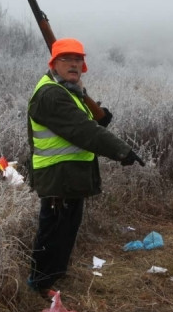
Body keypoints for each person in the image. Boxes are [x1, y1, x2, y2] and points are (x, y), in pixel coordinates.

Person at [25, 38, 140, 297]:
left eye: (78, 60)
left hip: (69, 175)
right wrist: (121, 150)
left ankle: (54, 277)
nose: (74, 64)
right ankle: (39, 284)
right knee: (53, 231)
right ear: (54, 63)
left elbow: (85, 123)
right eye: (66, 59)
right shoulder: (51, 94)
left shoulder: (68, 90)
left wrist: (101, 117)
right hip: (56, 175)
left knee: (65, 229)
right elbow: (83, 131)